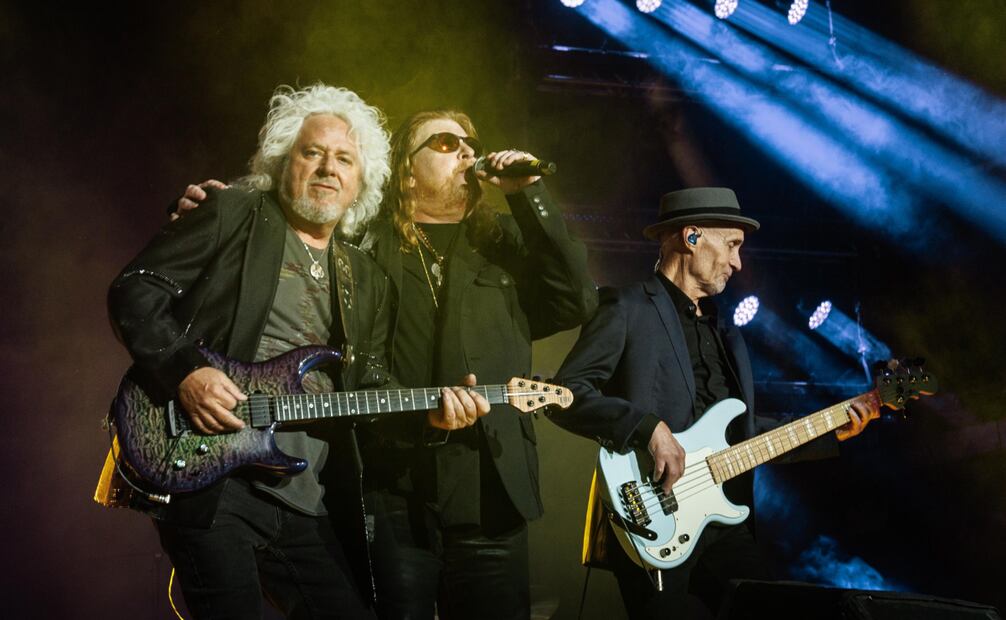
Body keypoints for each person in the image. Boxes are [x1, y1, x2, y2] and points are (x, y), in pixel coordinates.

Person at [103, 84, 488, 619]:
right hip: (212, 477)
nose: (329, 168)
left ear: (361, 183)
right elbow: (134, 291)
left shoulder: (364, 275)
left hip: (305, 495)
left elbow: (369, 387)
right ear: (283, 163)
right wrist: (187, 372)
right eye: (313, 152)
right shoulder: (234, 213)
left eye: (345, 159)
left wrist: (432, 417)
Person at [552, 187, 880, 619]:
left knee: (772, 608)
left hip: (723, 520)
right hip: (652, 514)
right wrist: (647, 427)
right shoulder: (627, 306)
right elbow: (566, 395)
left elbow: (742, 435)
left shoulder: (727, 332)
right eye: (732, 245)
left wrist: (829, 428)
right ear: (691, 238)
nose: (737, 262)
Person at [356, 110, 597, 620]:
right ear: (405, 169)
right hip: (395, 492)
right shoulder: (369, 246)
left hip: (492, 495)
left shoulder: (503, 242)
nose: (467, 151)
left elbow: (576, 301)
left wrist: (527, 191)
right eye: (445, 143)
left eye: (472, 142)